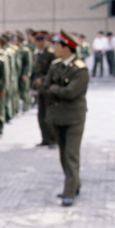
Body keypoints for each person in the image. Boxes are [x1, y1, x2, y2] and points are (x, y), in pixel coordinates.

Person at [43, 30, 89, 207]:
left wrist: (55, 90)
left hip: (74, 119)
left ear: (66, 48)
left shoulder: (80, 69)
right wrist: (55, 90)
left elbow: (71, 93)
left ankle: (69, 192)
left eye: (57, 45)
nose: (54, 48)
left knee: (71, 155)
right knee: (63, 155)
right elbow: (46, 88)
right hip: (57, 118)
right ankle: (75, 183)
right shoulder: (55, 65)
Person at [31, 31, 56, 147]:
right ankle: (45, 138)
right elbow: (35, 72)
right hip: (40, 88)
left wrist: (43, 80)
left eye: (42, 41)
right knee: (41, 115)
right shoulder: (36, 54)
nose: (40, 43)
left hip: (49, 88)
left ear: (47, 42)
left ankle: (53, 139)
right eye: (38, 41)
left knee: (49, 114)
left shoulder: (51, 54)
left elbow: (54, 72)